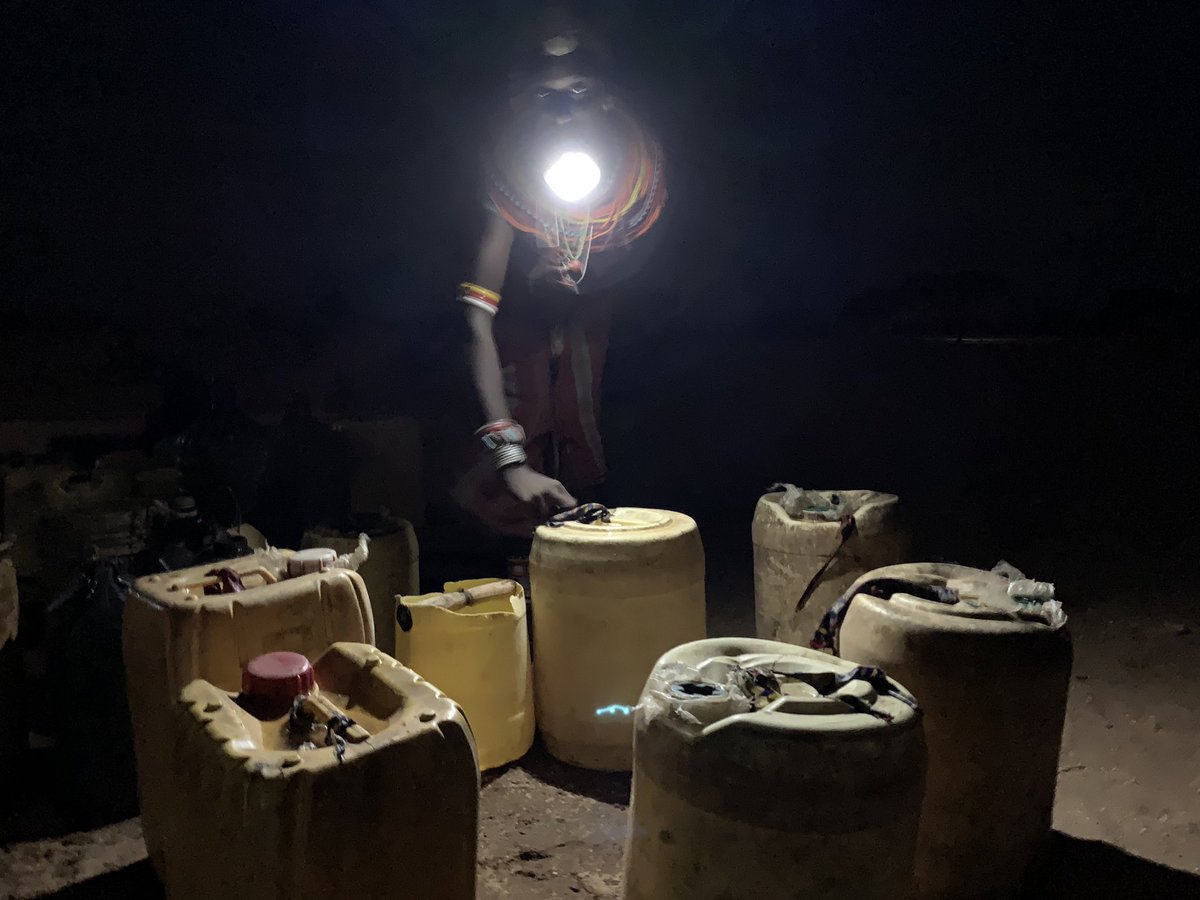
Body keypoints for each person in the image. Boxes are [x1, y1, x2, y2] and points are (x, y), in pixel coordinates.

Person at [451, 24, 667, 543]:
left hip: (605, 367)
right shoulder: (507, 184)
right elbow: (473, 321)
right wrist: (509, 462)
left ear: (610, 98)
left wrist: (581, 295)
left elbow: (643, 287)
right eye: (544, 95)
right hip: (520, 359)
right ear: (518, 101)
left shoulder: (638, 182)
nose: (562, 112)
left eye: (580, 91)